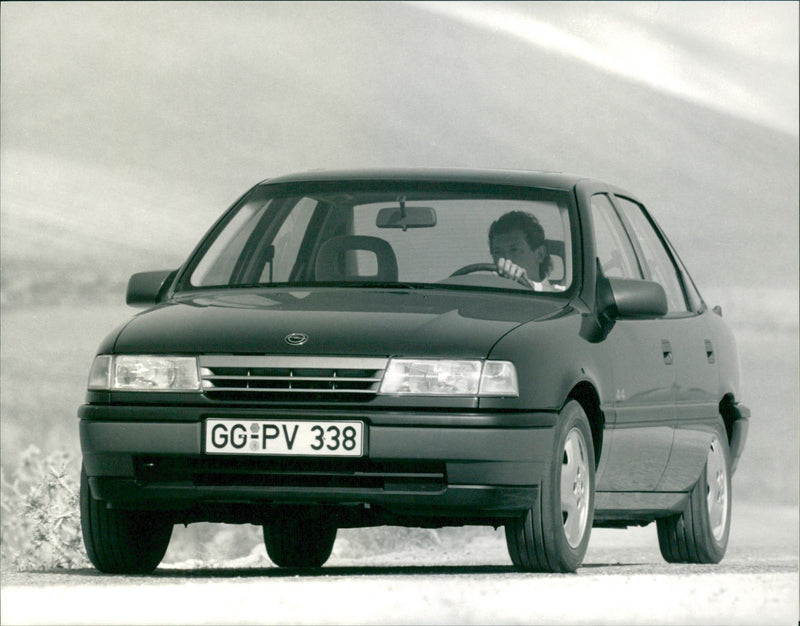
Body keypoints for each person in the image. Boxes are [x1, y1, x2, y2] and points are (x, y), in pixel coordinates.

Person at [488, 211, 555, 291]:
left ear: (540, 254)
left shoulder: (558, 293)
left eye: (514, 250)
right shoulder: (486, 291)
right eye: (497, 252)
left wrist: (526, 287)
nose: (506, 260)